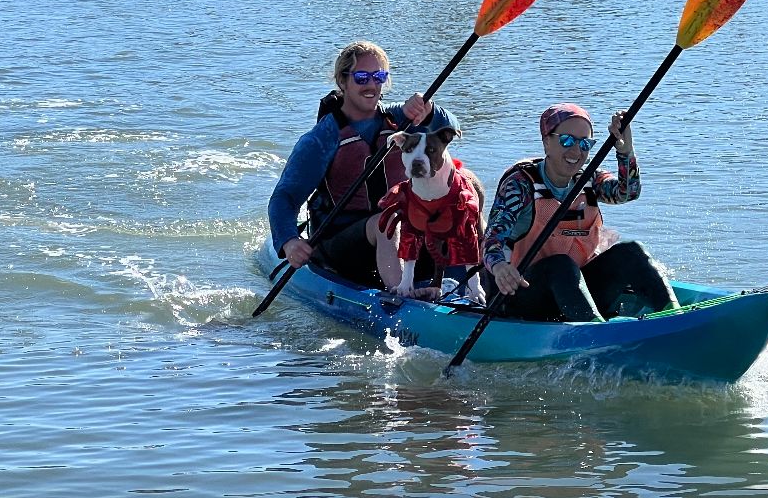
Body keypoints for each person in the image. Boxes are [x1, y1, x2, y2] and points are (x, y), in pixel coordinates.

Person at [268, 40, 460, 293]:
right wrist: (290, 241)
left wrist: (431, 110)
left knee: (462, 196)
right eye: (361, 77)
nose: (371, 85)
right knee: (387, 220)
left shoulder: (402, 120)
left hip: (401, 233)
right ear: (343, 81)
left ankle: (482, 283)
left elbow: (452, 127)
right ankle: (402, 295)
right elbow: (285, 197)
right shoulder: (321, 139)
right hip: (340, 244)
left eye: (379, 76)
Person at [482, 102, 680, 322]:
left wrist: (625, 151)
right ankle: (597, 332)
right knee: (560, 264)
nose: (576, 151)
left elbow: (628, 193)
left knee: (631, 251)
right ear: (547, 142)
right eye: (567, 141)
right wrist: (499, 267)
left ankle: (674, 316)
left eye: (585, 144)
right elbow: (492, 239)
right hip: (523, 294)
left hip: (574, 290)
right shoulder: (519, 185)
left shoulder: (590, 179)